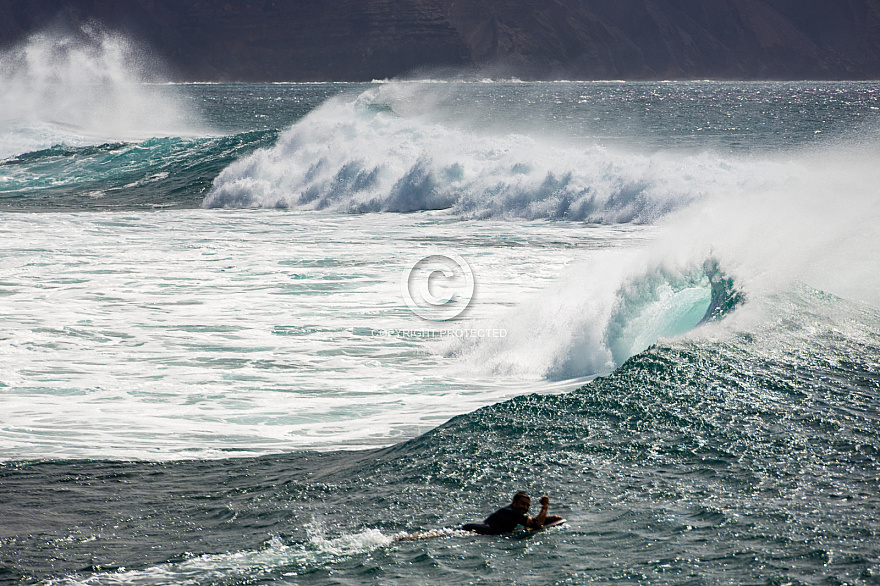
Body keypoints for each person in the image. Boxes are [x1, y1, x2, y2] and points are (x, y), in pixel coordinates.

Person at [461, 491, 563, 535]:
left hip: (473, 530)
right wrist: (545, 506)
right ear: (514, 502)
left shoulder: (511, 512)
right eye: (523, 504)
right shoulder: (513, 512)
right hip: (476, 532)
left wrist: (550, 519)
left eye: (528, 506)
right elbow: (537, 524)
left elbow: (534, 521)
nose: (525, 508)